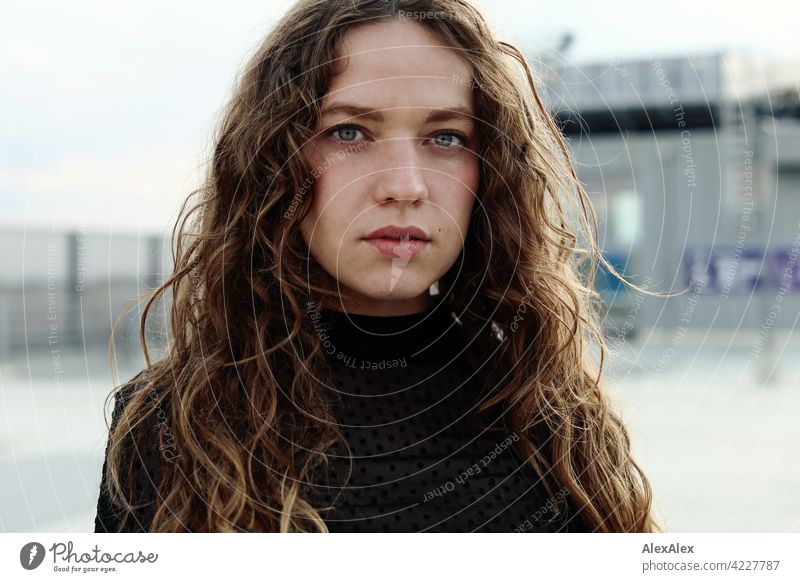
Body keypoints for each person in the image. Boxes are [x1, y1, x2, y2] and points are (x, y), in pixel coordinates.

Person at [94, 0, 660, 533]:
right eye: (350, 132)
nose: (406, 186)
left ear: (489, 174)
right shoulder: (177, 425)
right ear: (273, 159)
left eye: (446, 137)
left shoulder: (555, 413)